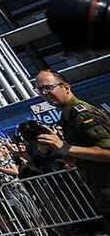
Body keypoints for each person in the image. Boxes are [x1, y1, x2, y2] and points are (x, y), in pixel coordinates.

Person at [34, 69, 110, 229]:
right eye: (40, 89)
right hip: (101, 192)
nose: (44, 93)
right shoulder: (67, 118)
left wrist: (64, 146)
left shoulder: (82, 113)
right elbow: (80, 160)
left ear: (66, 87)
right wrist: (51, 151)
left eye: (48, 87)